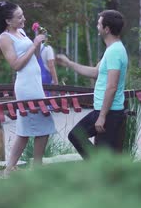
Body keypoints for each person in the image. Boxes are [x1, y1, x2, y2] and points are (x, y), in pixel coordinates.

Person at [0, 1, 57, 175]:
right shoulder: (5, 37)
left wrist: (39, 42)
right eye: (19, 17)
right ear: (8, 20)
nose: (23, 19)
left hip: (35, 84)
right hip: (26, 87)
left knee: (28, 128)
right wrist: (34, 44)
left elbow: (33, 57)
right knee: (41, 125)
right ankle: (28, 167)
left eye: (23, 15)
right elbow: (16, 65)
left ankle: (13, 167)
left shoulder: (20, 32)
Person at [55, 10, 128, 159]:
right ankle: (99, 169)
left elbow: (112, 86)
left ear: (106, 29)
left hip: (109, 112)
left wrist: (102, 116)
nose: (97, 26)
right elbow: (95, 72)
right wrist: (69, 63)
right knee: (79, 138)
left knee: (77, 136)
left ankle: (99, 169)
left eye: (99, 24)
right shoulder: (112, 49)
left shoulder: (115, 51)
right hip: (105, 110)